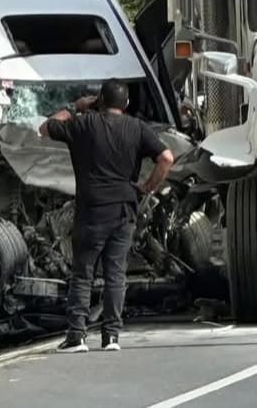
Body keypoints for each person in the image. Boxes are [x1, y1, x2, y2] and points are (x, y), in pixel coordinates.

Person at [38, 79, 175, 353]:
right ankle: (111, 336)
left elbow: (44, 128)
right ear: (126, 104)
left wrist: (75, 107)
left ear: (99, 100)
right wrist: (148, 187)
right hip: (124, 209)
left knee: (83, 273)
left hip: (91, 210)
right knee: (115, 274)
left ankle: (76, 337)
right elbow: (167, 157)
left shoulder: (83, 124)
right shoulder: (137, 128)